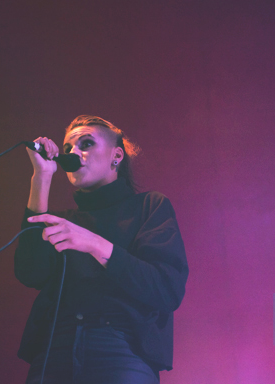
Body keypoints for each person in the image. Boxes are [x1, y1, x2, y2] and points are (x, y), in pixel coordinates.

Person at [14, 115, 188, 384]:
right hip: (56, 347)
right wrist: (42, 176)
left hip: (122, 348)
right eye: (68, 147)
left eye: (86, 143)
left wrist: (95, 244)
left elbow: (166, 288)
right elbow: (29, 272)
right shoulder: (64, 221)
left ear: (116, 155)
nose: (73, 152)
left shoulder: (149, 207)